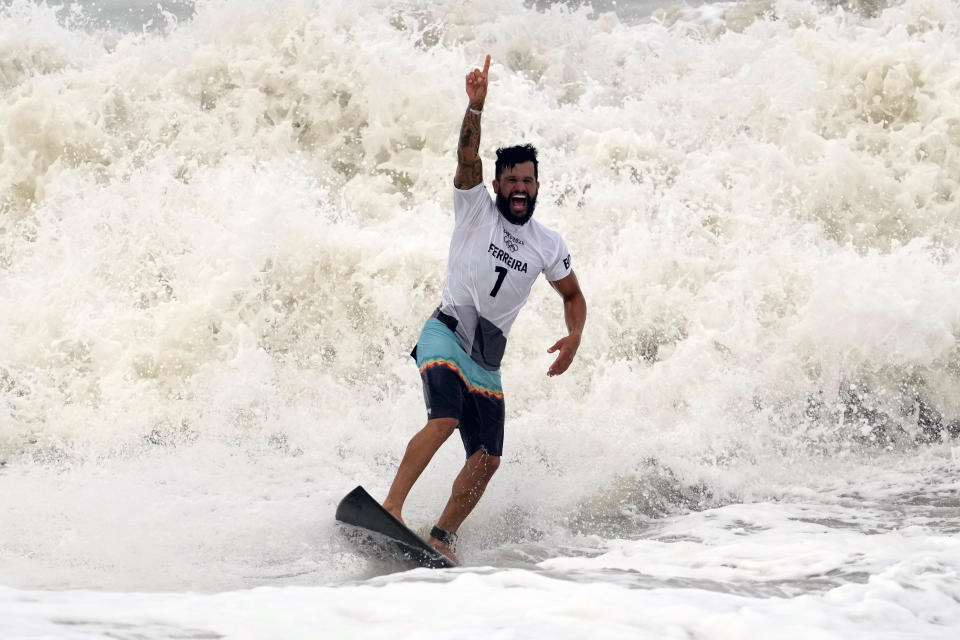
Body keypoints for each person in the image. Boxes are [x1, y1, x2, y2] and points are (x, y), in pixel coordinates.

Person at [382, 54, 587, 564]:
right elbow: (467, 156)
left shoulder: (547, 242)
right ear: (497, 185)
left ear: (537, 186)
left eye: (528, 182)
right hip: (446, 333)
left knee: (488, 458)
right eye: (511, 181)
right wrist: (475, 108)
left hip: (487, 362)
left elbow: (573, 296)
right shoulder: (475, 206)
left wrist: (574, 335)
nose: (519, 189)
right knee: (445, 418)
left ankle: (442, 536)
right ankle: (391, 507)